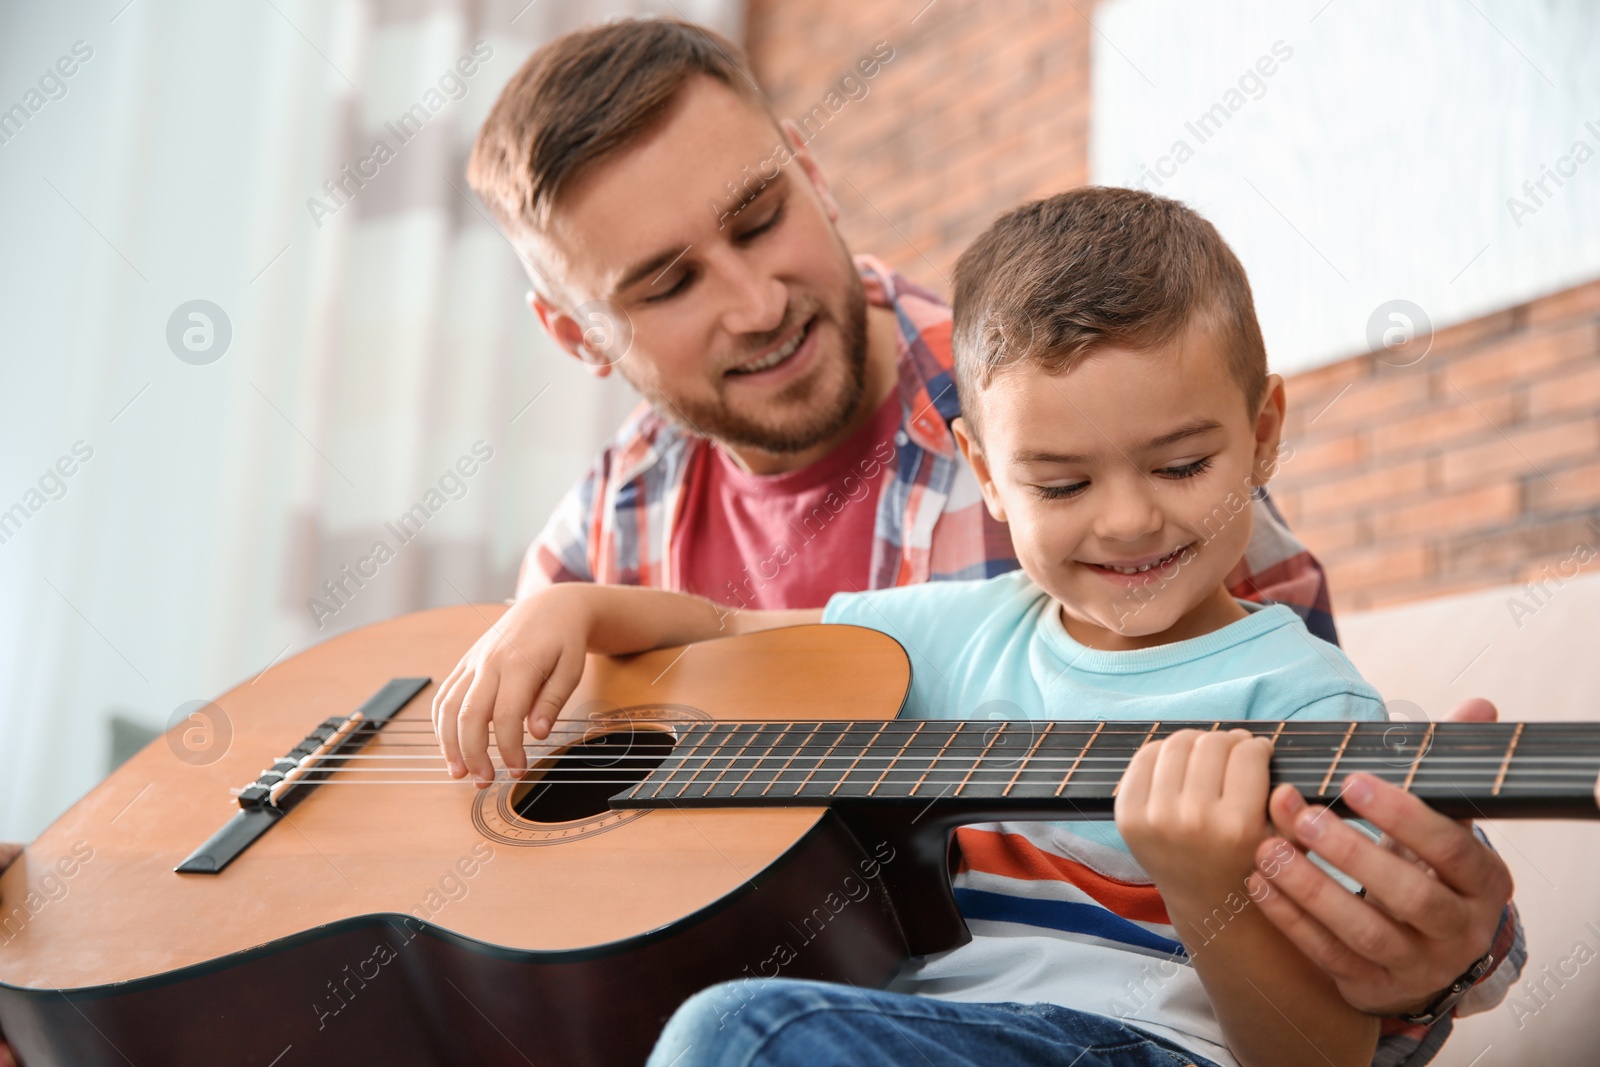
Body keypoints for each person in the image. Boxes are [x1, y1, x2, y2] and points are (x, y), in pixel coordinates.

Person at [450, 18, 1523, 1062]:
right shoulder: (605, 532)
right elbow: (487, 866)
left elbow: (1369, 962)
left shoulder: (1090, 401)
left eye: (757, 215)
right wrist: (566, 609)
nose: (754, 299)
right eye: (668, 282)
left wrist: (1440, 945)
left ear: (810, 173)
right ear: (573, 332)